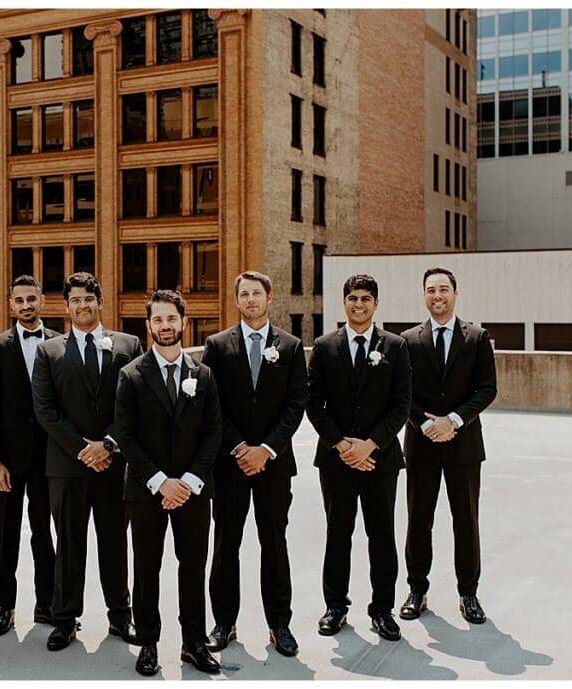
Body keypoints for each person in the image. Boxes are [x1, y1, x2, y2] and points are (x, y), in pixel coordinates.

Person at [31, 271, 142, 651]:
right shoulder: (49, 352)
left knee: (114, 543)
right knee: (69, 544)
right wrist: (84, 448)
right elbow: (45, 410)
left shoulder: (128, 344)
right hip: (66, 466)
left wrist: (108, 444)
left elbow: (135, 405)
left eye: (88, 299)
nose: (82, 306)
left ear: (100, 301)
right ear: (66, 307)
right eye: (75, 300)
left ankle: (120, 616)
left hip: (115, 466)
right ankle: (64, 619)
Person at [115, 290, 223, 676]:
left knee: (193, 566)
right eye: (157, 320)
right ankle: (148, 642)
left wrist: (189, 481)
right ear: (148, 326)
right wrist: (161, 482)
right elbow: (125, 436)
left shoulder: (203, 375)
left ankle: (193, 642)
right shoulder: (130, 375)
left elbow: (213, 433)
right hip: (147, 491)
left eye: (171, 319)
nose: (165, 326)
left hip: (193, 491)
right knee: (147, 568)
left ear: (183, 322)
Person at [202, 270, 307, 657]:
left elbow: (297, 404)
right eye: (243, 294)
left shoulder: (292, 346)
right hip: (230, 466)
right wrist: (241, 448)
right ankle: (224, 622)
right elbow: (211, 405)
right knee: (226, 544)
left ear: (269, 297)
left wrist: (266, 449)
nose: (250, 300)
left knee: (274, 544)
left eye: (256, 293)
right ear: (237, 300)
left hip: (274, 465)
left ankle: (279, 624)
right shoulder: (216, 345)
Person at [306, 274, 411, 641]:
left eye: (366, 298)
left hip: (380, 460)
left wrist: (371, 445)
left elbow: (402, 405)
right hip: (336, 461)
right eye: (352, 298)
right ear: (344, 302)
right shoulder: (324, 346)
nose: (359, 304)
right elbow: (313, 404)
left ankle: (382, 609)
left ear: (376, 304)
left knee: (381, 536)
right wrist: (342, 445)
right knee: (338, 534)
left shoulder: (396, 346)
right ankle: (335, 606)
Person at [399, 267, 497, 625]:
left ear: (455, 294)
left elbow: (487, 389)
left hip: (464, 443)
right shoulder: (407, 341)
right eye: (430, 290)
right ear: (424, 295)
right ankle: (416, 590)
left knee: (466, 522)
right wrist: (425, 423)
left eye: (443, 289)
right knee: (418, 520)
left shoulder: (477, 337)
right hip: (421, 443)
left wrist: (453, 420)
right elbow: (401, 393)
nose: (437, 295)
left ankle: (468, 593)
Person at [0, 275, 59, 636]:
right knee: (5, 533)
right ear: (10, 305)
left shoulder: (60, 342)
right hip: (10, 461)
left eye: (32, 298)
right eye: (19, 300)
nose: (26, 305)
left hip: (49, 457)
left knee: (45, 533)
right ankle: (5, 606)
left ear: (41, 301)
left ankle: (47, 604)